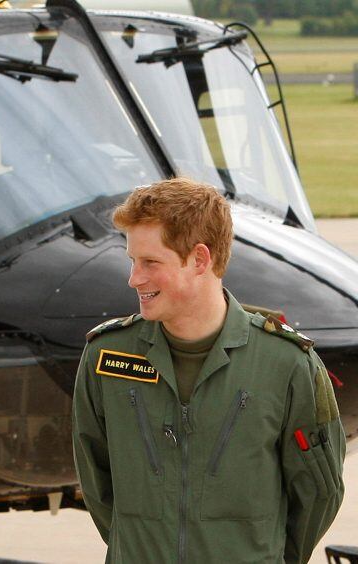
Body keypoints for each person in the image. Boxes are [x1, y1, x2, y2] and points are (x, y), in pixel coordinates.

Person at [72, 178, 344, 563]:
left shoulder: (287, 365)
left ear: (200, 259)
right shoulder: (106, 356)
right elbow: (97, 483)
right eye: (133, 261)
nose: (135, 278)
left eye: (151, 262)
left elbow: (319, 492)